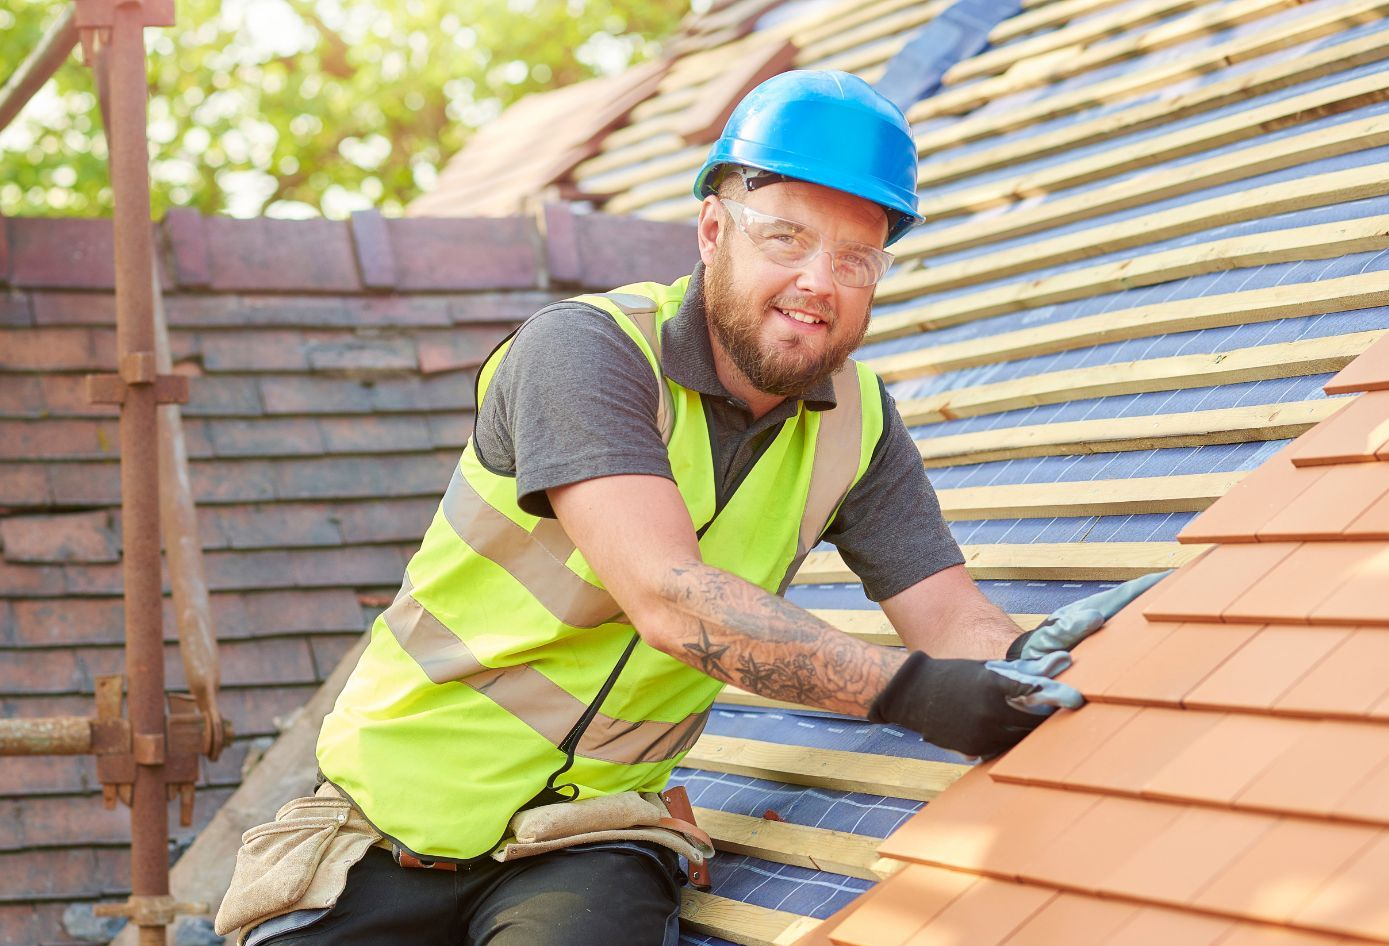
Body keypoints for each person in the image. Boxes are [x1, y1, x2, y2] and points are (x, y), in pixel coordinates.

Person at [220, 70, 1163, 946]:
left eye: (856, 259)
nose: (818, 285)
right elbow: (668, 597)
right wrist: (917, 693)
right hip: (382, 829)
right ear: (713, 231)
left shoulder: (860, 423)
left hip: (581, 840)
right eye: (784, 238)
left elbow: (949, 613)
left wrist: (1017, 669)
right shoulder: (585, 355)